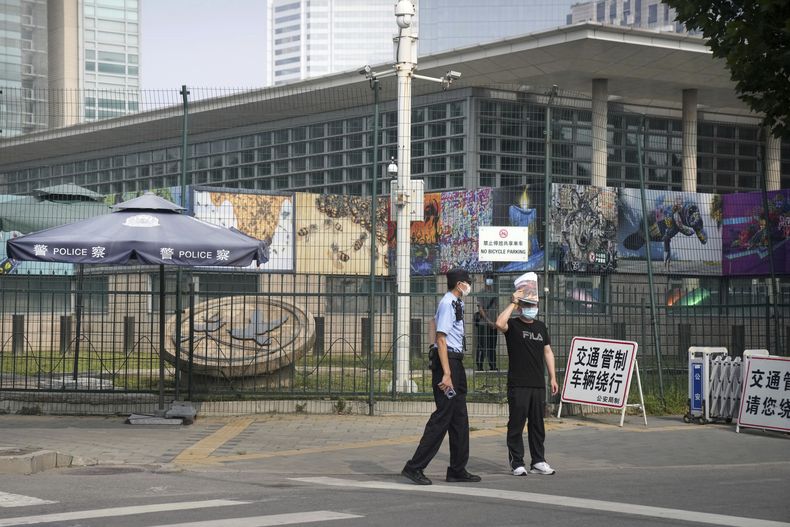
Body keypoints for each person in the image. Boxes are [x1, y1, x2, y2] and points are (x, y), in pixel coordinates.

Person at [401, 267, 482, 486]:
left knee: (459, 418)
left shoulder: (456, 303)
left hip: (455, 362)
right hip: (449, 365)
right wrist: (446, 373)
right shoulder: (448, 303)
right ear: (459, 284)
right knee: (443, 417)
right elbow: (442, 338)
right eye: (467, 282)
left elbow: (432, 323)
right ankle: (414, 466)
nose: (469, 285)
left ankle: (457, 468)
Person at [495, 272, 558, 477]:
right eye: (527, 305)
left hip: (537, 384)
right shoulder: (513, 325)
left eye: (534, 305)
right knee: (516, 424)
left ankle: (538, 460)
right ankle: (517, 463)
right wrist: (513, 303)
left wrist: (553, 377)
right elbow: (499, 323)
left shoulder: (541, 327)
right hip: (518, 384)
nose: (532, 309)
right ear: (521, 306)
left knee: (537, 425)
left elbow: (547, 351)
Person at [475, 275, 498, 371]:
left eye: (491, 279)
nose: (490, 281)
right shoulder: (481, 293)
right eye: (488, 278)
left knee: (492, 346)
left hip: (493, 325)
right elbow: (480, 309)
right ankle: (479, 365)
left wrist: (496, 322)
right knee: (482, 345)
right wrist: (488, 321)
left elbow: (496, 308)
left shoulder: (495, 293)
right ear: (484, 280)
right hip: (483, 324)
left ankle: (492, 365)